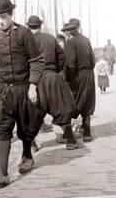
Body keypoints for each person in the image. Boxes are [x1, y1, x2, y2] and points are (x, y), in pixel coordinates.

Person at [0, 0, 44, 186]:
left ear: (11, 15)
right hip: (1, 92)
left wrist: (33, 85)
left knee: (25, 126)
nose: (1, 20)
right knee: (2, 129)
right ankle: (2, 172)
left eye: (4, 16)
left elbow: (36, 61)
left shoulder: (24, 34)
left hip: (23, 89)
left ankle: (27, 156)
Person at [26, 16, 81, 149]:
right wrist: (55, 71)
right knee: (61, 109)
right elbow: (62, 57)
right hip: (52, 77)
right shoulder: (50, 38)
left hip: (34, 80)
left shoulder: (26, 40)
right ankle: (71, 141)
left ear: (28, 26)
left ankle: (31, 145)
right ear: (40, 25)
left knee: (34, 114)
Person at [62, 18, 96, 142]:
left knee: (72, 102)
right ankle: (87, 132)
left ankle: (68, 134)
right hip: (89, 75)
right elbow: (93, 60)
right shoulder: (86, 40)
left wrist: (68, 80)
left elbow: (70, 64)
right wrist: (88, 72)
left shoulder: (71, 43)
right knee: (87, 102)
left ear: (70, 30)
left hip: (78, 75)